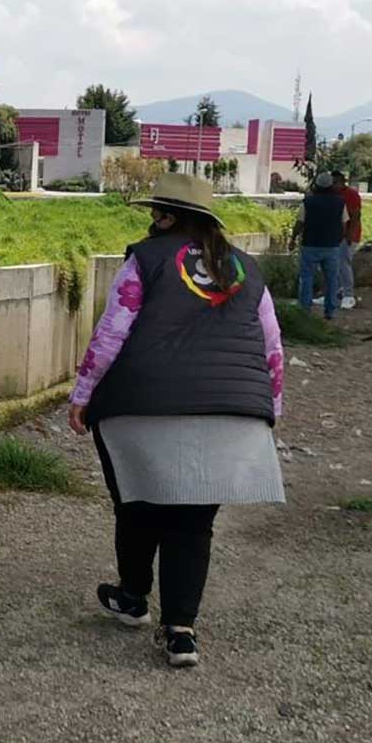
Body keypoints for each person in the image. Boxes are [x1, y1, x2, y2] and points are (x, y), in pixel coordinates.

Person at [68, 173, 286, 668]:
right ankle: (181, 631)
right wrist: (269, 408)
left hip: (142, 403)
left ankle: (132, 597)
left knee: (137, 500)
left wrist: (82, 394)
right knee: (193, 522)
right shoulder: (246, 269)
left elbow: (112, 333)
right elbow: (271, 345)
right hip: (232, 408)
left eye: (155, 212)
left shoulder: (145, 260)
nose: (151, 221)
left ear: (167, 218)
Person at [292, 171, 350, 320]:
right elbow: (344, 225)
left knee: (306, 279)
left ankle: (304, 311)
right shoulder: (340, 203)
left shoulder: (308, 202)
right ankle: (329, 311)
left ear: (316, 185)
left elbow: (300, 223)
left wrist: (292, 238)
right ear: (331, 185)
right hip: (331, 246)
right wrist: (338, 239)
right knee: (331, 280)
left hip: (310, 245)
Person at [333, 170, 363, 310]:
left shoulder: (351, 195)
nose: (333, 186)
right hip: (335, 236)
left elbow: (355, 215)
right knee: (333, 265)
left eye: (335, 183)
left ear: (342, 182)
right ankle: (334, 294)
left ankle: (348, 295)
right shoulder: (333, 194)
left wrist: (350, 234)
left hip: (347, 236)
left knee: (343, 264)